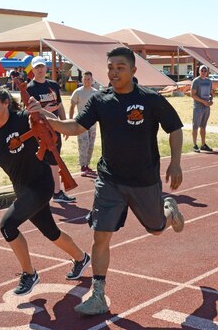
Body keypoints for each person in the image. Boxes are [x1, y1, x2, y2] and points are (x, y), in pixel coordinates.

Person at [32, 46, 184, 315]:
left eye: (120, 68)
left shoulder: (151, 99)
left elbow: (174, 128)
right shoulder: (101, 101)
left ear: (133, 71)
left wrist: (175, 163)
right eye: (111, 67)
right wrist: (47, 118)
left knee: (156, 230)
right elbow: (76, 127)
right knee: (100, 236)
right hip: (109, 180)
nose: (113, 72)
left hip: (143, 180)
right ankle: (98, 294)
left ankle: (168, 211)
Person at [0, 85, 91, 296]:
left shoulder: (24, 118)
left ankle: (29, 273)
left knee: (8, 226)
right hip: (22, 189)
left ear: (6, 103)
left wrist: (40, 111)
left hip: (41, 184)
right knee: (51, 232)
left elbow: (51, 125)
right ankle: (81, 258)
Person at [26, 56, 75, 203]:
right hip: (40, 130)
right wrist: (43, 110)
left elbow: (59, 106)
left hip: (55, 128)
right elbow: (28, 111)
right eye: (37, 67)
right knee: (41, 160)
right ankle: (48, 191)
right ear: (33, 69)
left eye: (42, 66)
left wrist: (65, 125)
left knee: (55, 159)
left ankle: (56, 192)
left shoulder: (53, 85)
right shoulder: (30, 88)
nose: (40, 70)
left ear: (46, 68)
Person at [69, 71, 98, 176]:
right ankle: (83, 165)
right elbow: (72, 106)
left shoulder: (96, 93)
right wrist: (70, 120)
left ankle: (87, 165)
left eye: (89, 79)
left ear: (92, 80)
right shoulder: (78, 92)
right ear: (82, 80)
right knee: (83, 145)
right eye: (85, 79)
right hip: (81, 124)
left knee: (91, 145)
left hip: (93, 124)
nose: (87, 81)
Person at [190, 65, 213, 152]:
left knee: (203, 126)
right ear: (199, 71)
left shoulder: (209, 81)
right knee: (195, 126)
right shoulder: (196, 81)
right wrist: (203, 102)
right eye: (202, 70)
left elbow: (211, 93)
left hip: (206, 107)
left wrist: (210, 100)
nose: (203, 72)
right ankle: (194, 145)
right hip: (198, 107)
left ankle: (203, 144)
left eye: (205, 70)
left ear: (207, 72)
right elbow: (193, 95)